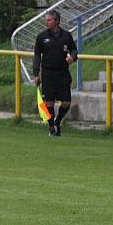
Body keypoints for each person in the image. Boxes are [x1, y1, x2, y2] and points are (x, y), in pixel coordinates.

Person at [32, 9, 78, 137]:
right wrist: (36, 74)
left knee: (66, 102)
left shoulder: (66, 36)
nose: (47, 22)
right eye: (46, 20)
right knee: (49, 103)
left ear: (56, 21)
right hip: (48, 74)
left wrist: (72, 57)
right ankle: (51, 127)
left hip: (63, 73)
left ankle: (58, 122)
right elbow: (37, 56)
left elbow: (74, 49)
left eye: (49, 20)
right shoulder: (41, 37)